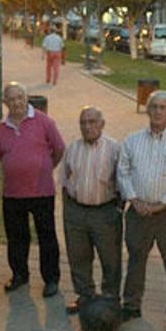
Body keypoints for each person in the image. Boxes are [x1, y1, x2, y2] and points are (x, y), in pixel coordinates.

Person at [118, 90, 166, 331]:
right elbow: (123, 171)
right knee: (136, 259)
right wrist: (134, 199)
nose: (158, 111)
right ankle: (131, 305)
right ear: (147, 110)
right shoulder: (132, 140)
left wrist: (162, 204)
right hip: (138, 211)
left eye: (163, 108)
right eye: (154, 107)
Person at [0, 82, 65, 297]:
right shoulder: (1, 127)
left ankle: (51, 279)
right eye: (11, 99)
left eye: (20, 97)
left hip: (41, 191)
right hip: (13, 192)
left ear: (27, 99)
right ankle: (19, 274)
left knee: (46, 237)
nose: (16, 102)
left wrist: (44, 168)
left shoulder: (44, 121)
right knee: (16, 237)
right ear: (5, 103)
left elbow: (59, 148)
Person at [61, 107, 121, 314]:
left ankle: (110, 298)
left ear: (102, 124)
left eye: (92, 122)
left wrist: (117, 211)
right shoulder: (72, 148)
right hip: (76, 211)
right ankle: (85, 295)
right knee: (78, 256)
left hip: (105, 212)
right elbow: (65, 181)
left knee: (110, 258)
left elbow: (122, 183)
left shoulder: (114, 149)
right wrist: (68, 213)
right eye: (83, 122)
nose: (87, 127)